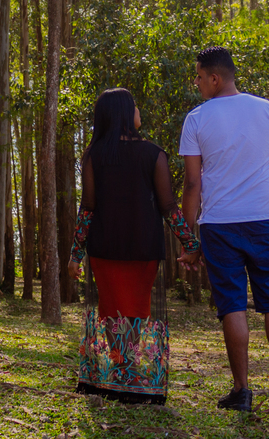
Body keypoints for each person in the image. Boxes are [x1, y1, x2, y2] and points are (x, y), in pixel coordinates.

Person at [177, 47, 269, 414]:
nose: (196, 83)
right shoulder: (267, 110)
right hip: (262, 222)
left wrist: (189, 240)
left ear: (214, 78)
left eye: (199, 76)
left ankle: (241, 392)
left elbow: (192, 184)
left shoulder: (196, 119)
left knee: (232, 306)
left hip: (218, 226)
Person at [68, 88, 200, 405]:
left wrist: (76, 253)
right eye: (135, 106)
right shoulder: (153, 154)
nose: (139, 111)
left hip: (105, 246)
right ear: (125, 114)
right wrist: (191, 243)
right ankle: (125, 371)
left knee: (113, 310)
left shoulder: (94, 155)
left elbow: (88, 209)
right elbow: (169, 207)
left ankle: (121, 370)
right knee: (135, 310)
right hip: (143, 247)